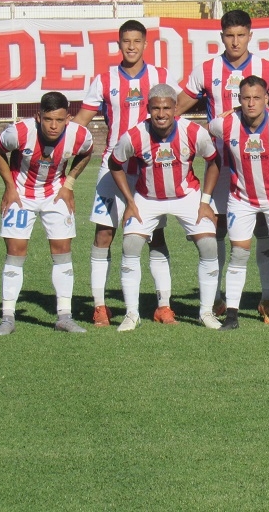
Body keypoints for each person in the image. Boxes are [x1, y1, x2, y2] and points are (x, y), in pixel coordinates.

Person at [176, 9, 269, 323]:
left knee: (265, 231)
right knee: (218, 231)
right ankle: (220, 297)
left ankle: (267, 299)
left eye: (241, 35)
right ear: (221, 37)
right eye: (229, 35)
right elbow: (175, 109)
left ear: (250, 36)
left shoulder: (267, 68)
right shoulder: (205, 70)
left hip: (260, 165)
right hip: (220, 166)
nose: (235, 41)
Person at [73, 20, 181, 328]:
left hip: (149, 166)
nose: (131, 46)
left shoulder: (161, 77)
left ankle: (163, 305)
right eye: (125, 41)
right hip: (113, 165)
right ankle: (99, 306)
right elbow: (82, 119)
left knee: (155, 234)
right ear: (119, 44)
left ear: (146, 44)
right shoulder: (105, 80)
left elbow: (177, 111)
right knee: (104, 233)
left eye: (137, 41)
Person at [109, 84, 222, 331]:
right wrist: (129, 201)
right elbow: (114, 163)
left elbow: (214, 161)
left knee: (208, 244)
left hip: (187, 195)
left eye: (166, 108)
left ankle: (206, 312)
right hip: (147, 198)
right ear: (148, 109)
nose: (161, 114)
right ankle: (131, 314)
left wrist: (205, 202)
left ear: (175, 109)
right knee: (130, 244)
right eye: (156, 108)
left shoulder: (193, 132)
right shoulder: (134, 135)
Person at [207, 76, 269, 330]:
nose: (251, 103)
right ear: (239, 101)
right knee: (238, 254)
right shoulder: (225, 124)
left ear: (266, 99)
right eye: (245, 98)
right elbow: (211, 125)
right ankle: (232, 315)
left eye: (256, 98)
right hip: (241, 199)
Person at [0, 91, 94, 336]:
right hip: (20, 195)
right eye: (48, 119)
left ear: (68, 118)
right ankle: (7, 318)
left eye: (59, 120)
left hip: (55, 194)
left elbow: (88, 152)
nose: (54, 125)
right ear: (38, 116)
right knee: (15, 252)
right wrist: (9, 187)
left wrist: (69, 185)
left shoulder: (80, 135)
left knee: (62, 252)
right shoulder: (19, 132)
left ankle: (64, 317)